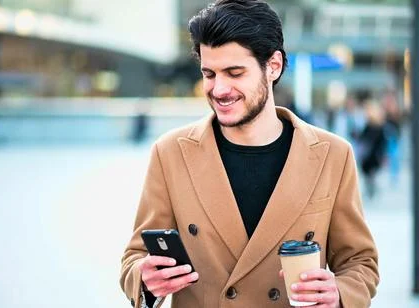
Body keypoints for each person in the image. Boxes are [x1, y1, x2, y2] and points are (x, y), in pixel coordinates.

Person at [120, 1, 379, 307]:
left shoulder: (333, 155)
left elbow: (360, 263)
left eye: (234, 72)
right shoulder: (170, 153)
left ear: (274, 66)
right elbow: (134, 259)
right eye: (209, 73)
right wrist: (145, 278)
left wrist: (339, 294)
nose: (219, 89)